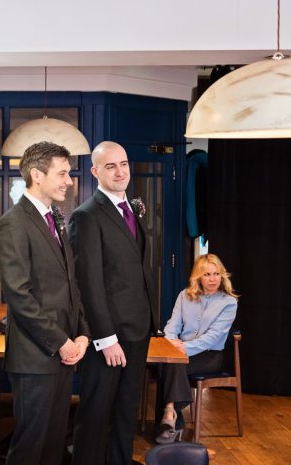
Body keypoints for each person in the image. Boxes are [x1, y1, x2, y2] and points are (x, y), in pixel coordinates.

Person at [0, 141, 90, 465]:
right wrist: (60, 342)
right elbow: (19, 295)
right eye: (62, 173)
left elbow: (70, 286)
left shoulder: (55, 219)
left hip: (63, 353)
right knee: (29, 447)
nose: (69, 180)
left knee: (52, 446)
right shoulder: (14, 223)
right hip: (36, 356)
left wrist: (81, 334)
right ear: (37, 174)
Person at [68, 141, 158, 465]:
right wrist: (105, 339)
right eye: (110, 166)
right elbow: (88, 284)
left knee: (126, 413)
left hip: (138, 330)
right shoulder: (86, 216)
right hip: (110, 337)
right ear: (95, 172)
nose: (120, 171)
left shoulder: (132, 209)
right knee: (95, 415)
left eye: (123, 164)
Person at [155, 253, 238, 443]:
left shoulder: (229, 302)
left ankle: (171, 417)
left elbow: (213, 337)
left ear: (222, 275)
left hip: (208, 357)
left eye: (216, 274)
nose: (212, 279)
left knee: (172, 363)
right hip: (181, 352)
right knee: (171, 361)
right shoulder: (184, 296)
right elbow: (172, 326)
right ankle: (171, 415)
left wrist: (182, 347)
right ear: (198, 277)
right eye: (207, 274)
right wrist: (170, 343)